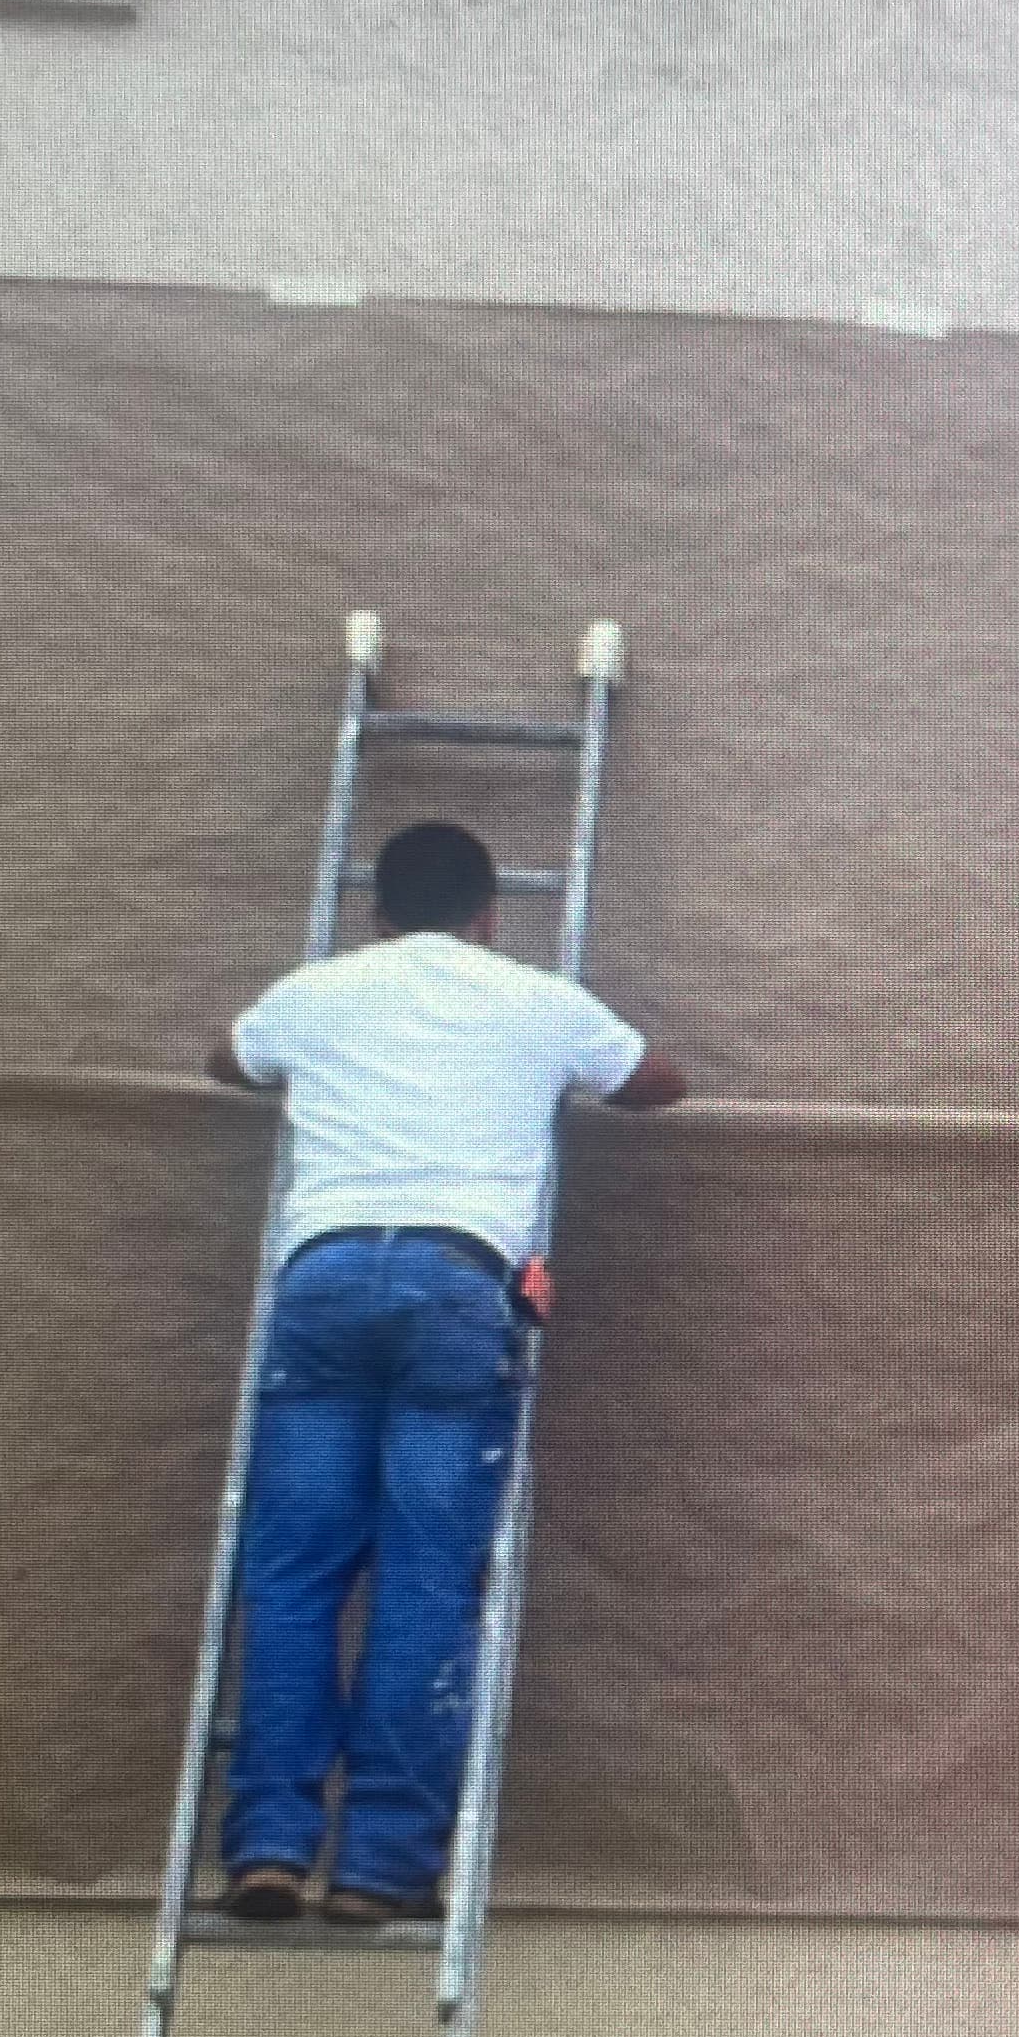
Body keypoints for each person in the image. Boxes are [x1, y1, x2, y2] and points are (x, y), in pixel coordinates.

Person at [200, 818, 689, 1925]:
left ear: (376, 913)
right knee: (426, 1578)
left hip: (321, 1281)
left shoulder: (317, 991)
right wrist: (543, 1075)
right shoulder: (535, 999)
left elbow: (229, 1060)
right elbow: (658, 1082)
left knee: (294, 1576)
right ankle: (379, 1865)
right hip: (458, 1285)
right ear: (488, 914)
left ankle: (269, 1846)